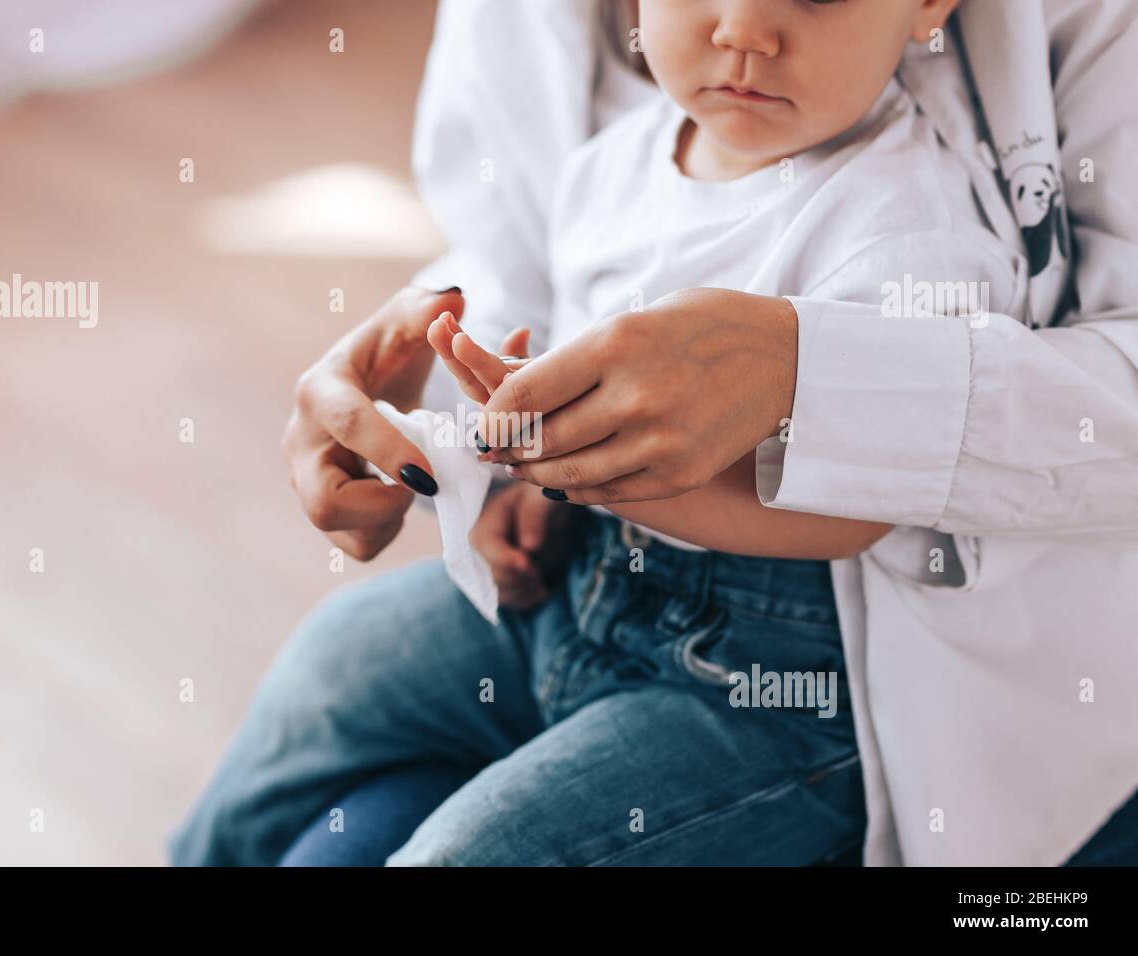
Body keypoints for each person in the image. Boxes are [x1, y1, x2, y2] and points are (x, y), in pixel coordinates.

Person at [171, 0, 1138, 866]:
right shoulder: (616, 162)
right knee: (332, 665)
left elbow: (861, 512)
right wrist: (482, 447)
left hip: (763, 685)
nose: (745, 28)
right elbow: (530, 286)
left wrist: (600, 474)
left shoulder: (909, 225)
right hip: (576, 587)